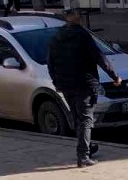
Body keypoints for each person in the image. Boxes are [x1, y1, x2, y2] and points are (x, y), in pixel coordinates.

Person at [47, 9, 121, 168]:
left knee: (77, 118)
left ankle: (87, 147)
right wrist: (115, 77)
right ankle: (83, 156)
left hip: (66, 85)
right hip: (84, 84)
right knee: (85, 119)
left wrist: (56, 82)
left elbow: (50, 64)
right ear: (79, 20)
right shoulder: (83, 36)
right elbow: (100, 58)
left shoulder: (56, 38)